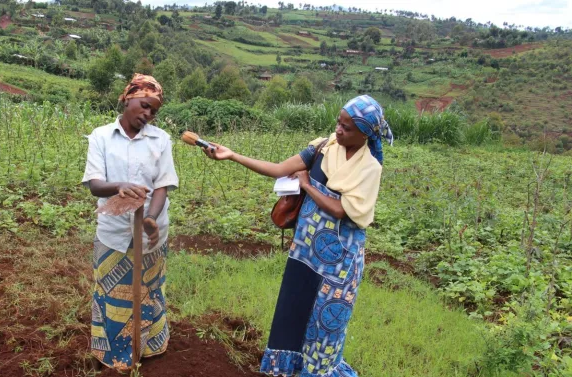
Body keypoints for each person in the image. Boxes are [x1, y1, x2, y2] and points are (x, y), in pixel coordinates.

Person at [203, 95, 393, 377]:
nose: (339, 130)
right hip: (304, 254)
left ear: (366, 133)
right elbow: (279, 169)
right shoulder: (324, 147)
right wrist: (232, 155)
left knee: (325, 328)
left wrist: (307, 184)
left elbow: (342, 211)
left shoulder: (369, 169)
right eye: (339, 123)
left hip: (339, 266)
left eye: (347, 127)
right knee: (292, 317)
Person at [81, 74, 178, 371]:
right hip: (113, 232)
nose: (147, 114)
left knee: (148, 289)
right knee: (111, 292)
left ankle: (148, 347)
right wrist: (119, 185)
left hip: (151, 232)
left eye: (154, 111)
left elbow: (162, 185)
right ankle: (114, 355)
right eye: (145, 106)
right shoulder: (100, 136)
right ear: (128, 98)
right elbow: (96, 185)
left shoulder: (160, 139)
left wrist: (150, 218)